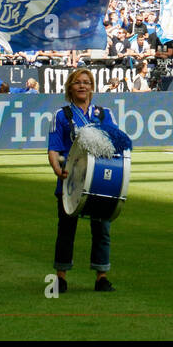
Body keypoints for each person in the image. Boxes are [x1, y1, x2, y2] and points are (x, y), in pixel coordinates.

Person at [47, 68, 120, 292]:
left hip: (99, 180)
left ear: (92, 87)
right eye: (77, 82)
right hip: (71, 181)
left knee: (101, 230)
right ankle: (61, 277)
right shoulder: (61, 115)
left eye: (87, 82)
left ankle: (101, 277)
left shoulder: (104, 113)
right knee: (66, 230)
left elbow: (116, 143)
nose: (82, 86)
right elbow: (53, 149)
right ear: (70, 87)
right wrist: (57, 170)